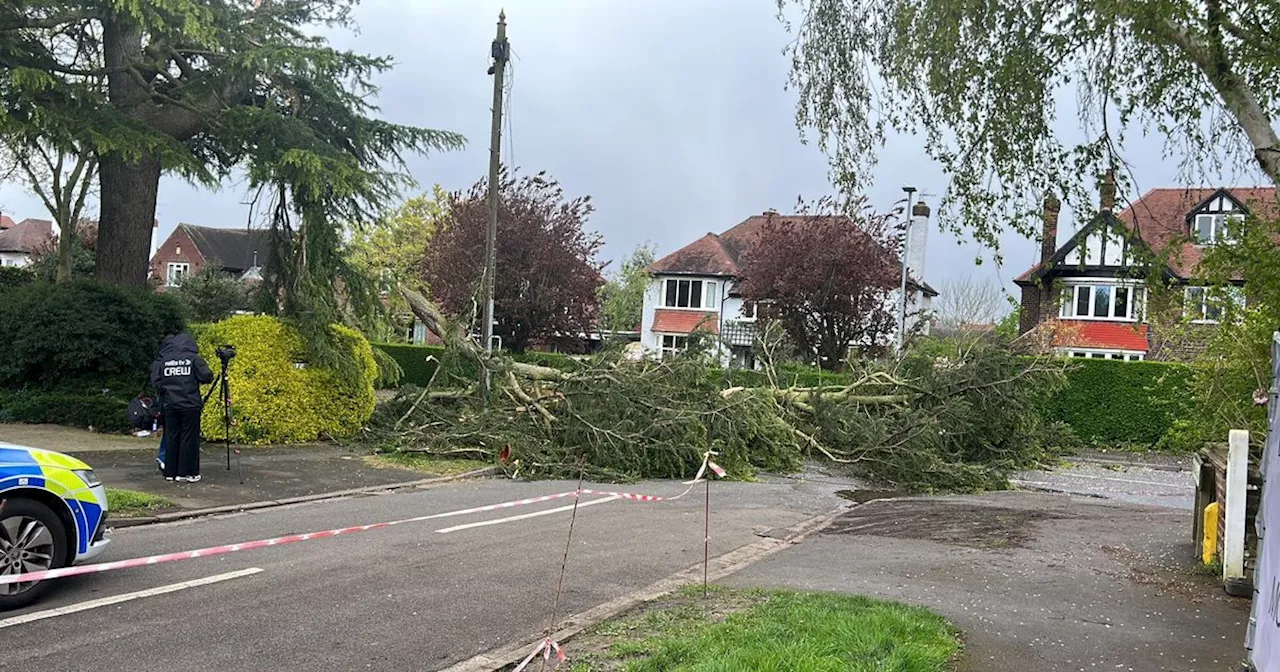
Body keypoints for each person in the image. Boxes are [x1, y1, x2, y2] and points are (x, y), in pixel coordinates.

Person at [149, 333, 213, 483]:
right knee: (189, 438)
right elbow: (206, 377)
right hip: (189, 403)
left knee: (171, 438)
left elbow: (157, 381)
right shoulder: (194, 359)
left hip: (170, 404)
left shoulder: (165, 361)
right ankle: (188, 472)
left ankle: (170, 472)